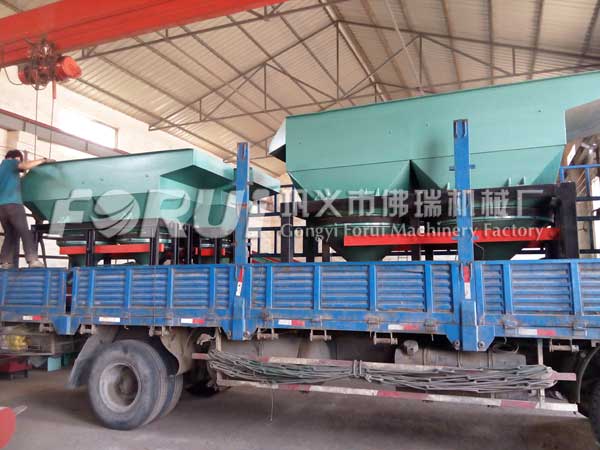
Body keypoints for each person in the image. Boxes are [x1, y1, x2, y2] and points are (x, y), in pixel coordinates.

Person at [0, 150, 54, 269]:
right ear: (16, 158)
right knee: (25, 232)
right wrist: (43, 160)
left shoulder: (2, 169)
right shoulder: (10, 162)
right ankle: (32, 259)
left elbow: (16, 180)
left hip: (1, 208)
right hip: (13, 205)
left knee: (10, 234)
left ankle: (5, 262)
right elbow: (24, 166)